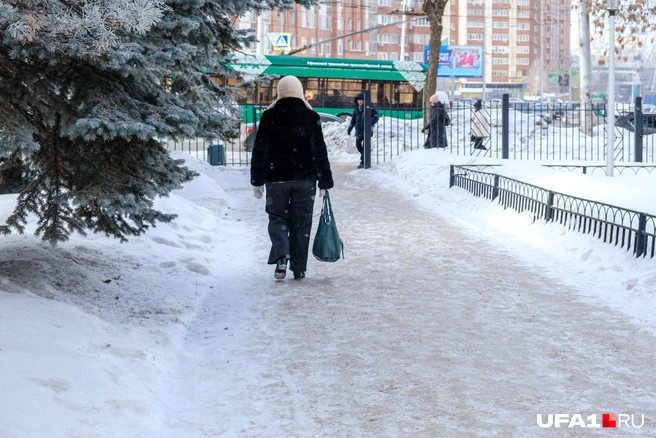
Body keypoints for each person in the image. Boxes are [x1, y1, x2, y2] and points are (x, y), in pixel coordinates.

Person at [251, 76, 334, 281]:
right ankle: (299, 268)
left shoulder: (269, 117)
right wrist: (324, 181)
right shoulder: (311, 116)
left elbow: (260, 150)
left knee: (277, 218)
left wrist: (257, 180)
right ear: (299, 91)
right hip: (305, 180)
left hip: (276, 178)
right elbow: (319, 151)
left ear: (279, 92)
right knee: (301, 223)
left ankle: (281, 259)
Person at [346, 92, 379, 169]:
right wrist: (350, 128)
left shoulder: (370, 108)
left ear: (365, 100)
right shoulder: (356, 108)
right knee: (358, 145)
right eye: (358, 100)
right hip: (358, 130)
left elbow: (376, 117)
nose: (360, 102)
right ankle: (366, 155)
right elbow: (353, 119)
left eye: (361, 100)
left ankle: (363, 162)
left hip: (366, 130)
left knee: (365, 146)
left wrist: (369, 123)